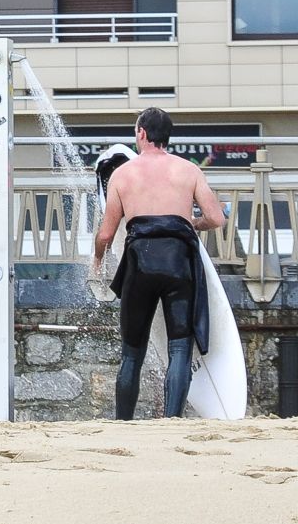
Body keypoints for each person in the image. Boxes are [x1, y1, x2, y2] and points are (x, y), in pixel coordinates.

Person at [92, 107, 224, 420]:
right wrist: (192, 223)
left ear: (141, 133)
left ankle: (124, 420)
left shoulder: (123, 175)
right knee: (179, 348)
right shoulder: (188, 171)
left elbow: (106, 233)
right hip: (179, 262)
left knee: (132, 352)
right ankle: (172, 420)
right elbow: (216, 218)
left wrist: (97, 259)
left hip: (139, 264)